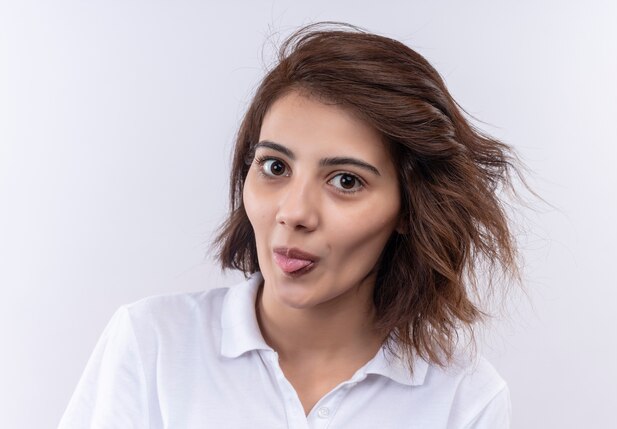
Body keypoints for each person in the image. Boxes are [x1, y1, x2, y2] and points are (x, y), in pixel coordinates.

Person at [59, 22, 522, 428]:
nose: (294, 212)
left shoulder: (464, 400)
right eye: (276, 167)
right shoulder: (152, 344)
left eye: (345, 180)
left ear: (407, 208)